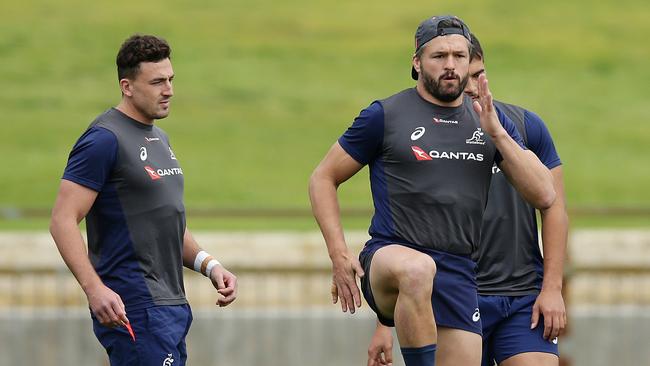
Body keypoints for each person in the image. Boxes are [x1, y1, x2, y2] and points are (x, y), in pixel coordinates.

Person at [309, 15, 556, 366]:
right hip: (391, 259)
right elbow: (322, 178)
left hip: (457, 273)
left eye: (459, 56)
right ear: (416, 62)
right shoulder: (385, 115)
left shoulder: (489, 121)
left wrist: (497, 133)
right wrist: (338, 253)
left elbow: (545, 195)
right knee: (417, 269)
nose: (451, 65)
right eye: (439, 56)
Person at [366, 33, 568, 366]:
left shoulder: (524, 126)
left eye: (478, 74)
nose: (470, 84)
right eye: (463, 73)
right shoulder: (424, 131)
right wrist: (384, 324)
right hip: (455, 293)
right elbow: (405, 238)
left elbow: (554, 206)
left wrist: (552, 288)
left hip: (521, 296)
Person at [49, 34, 238, 366]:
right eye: (157, 82)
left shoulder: (159, 137)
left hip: (171, 306)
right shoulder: (103, 139)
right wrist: (94, 289)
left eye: (170, 79)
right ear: (127, 86)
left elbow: (164, 223)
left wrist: (210, 266)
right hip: (135, 305)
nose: (169, 90)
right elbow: (62, 220)